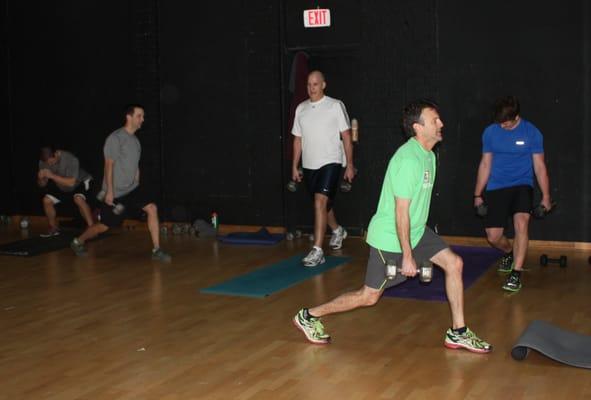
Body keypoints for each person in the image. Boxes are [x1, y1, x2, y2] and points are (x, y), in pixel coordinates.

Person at [293, 99, 492, 354]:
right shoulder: (408, 160)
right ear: (418, 128)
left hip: (416, 231)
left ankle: (458, 332)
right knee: (369, 296)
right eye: (435, 120)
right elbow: (401, 212)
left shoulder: (428, 155)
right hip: (391, 238)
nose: (441, 124)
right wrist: (407, 255)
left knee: (454, 264)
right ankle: (309, 315)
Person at [70, 104, 171, 262]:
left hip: (132, 189)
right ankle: (79, 241)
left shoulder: (136, 141)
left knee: (152, 208)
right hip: (116, 192)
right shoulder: (115, 138)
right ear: (129, 117)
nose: (142, 119)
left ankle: (156, 249)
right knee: (104, 226)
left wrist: (137, 178)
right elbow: (108, 165)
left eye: (143, 116)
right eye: (139, 116)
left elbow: (135, 163)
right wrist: (110, 191)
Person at [473, 96, 552, 293]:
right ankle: (509, 251)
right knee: (493, 236)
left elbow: (540, 167)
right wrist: (477, 195)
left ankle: (516, 273)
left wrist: (546, 196)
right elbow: (485, 164)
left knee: (522, 224)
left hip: (522, 185)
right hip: (497, 186)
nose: (503, 127)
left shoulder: (532, 132)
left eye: (507, 124)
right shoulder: (490, 132)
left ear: (517, 117)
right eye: (500, 123)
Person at [291, 70, 355, 267]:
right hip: (309, 164)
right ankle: (337, 230)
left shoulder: (335, 106)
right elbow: (297, 139)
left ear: (323, 85)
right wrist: (294, 166)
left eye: (315, 84)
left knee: (319, 202)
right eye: (309, 84)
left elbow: (346, 136)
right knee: (323, 205)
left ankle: (317, 250)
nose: (312, 88)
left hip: (331, 161)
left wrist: (350, 164)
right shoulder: (301, 109)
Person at [37, 146, 94, 237]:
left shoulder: (70, 159)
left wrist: (52, 176)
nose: (50, 165)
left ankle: (92, 228)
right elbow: (42, 185)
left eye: (51, 161)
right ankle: (53, 228)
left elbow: (71, 183)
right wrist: (40, 179)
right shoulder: (43, 162)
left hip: (80, 182)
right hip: (62, 185)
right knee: (46, 200)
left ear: (56, 154)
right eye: (47, 163)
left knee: (78, 199)